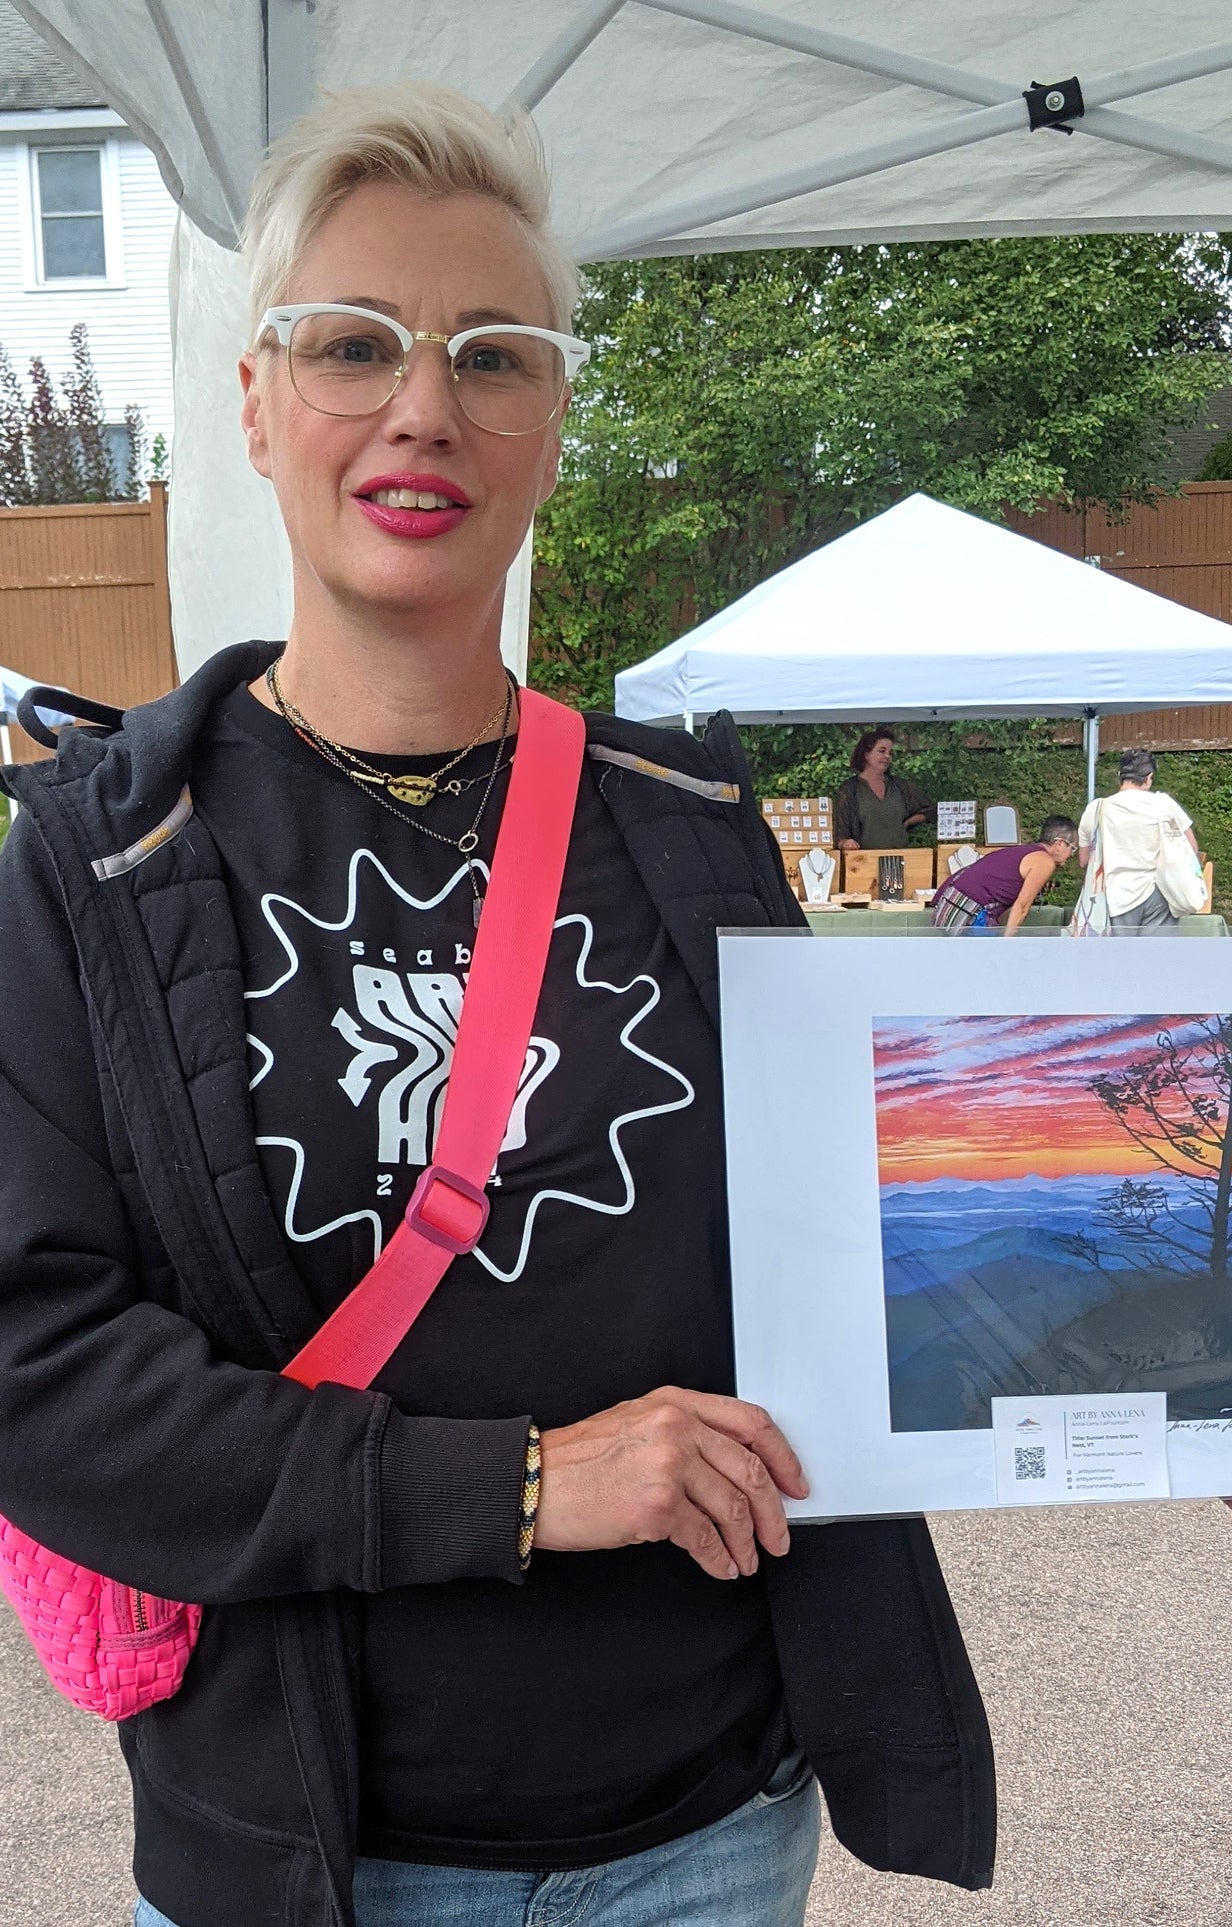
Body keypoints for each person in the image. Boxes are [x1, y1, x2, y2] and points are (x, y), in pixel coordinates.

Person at [0, 85, 997, 1927]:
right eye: (352, 344)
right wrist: (525, 1485)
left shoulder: (692, 827)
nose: (424, 406)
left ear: (552, 428)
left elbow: (863, 1246)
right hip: (309, 1858)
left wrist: (1210, 1387)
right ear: (254, 402)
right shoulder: (98, 859)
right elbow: (38, 1374)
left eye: (492, 355)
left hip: (706, 1839)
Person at [1076, 747, 1198, 932]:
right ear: (1149, 777)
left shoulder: (1096, 809)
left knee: (1119, 951)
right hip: (1159, 893)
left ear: (1120, 775)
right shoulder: (1164, 804)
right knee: (1156, 950)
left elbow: (1084, 861)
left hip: (1114, 896)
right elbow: (1191, 849)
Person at [931, 815, 1078, 934]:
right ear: (1059, 843)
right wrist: (1006, 946)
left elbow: (1008, 907)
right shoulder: (1044, 861)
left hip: (948, 905)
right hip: (969, 912)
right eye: (1072, 848)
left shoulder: (1024, 851)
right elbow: (1021, 907)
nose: (1071, 855)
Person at [835, 728, 932, 849]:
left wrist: (908, 823)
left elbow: (931, 810)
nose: (887, 756)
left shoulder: (900, 786)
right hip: (863, 858)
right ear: (866, 754)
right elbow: (840, 833)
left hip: (900, 856)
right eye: (882, 751)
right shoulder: (849, 789)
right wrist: (846, 843)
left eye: (890, 753)